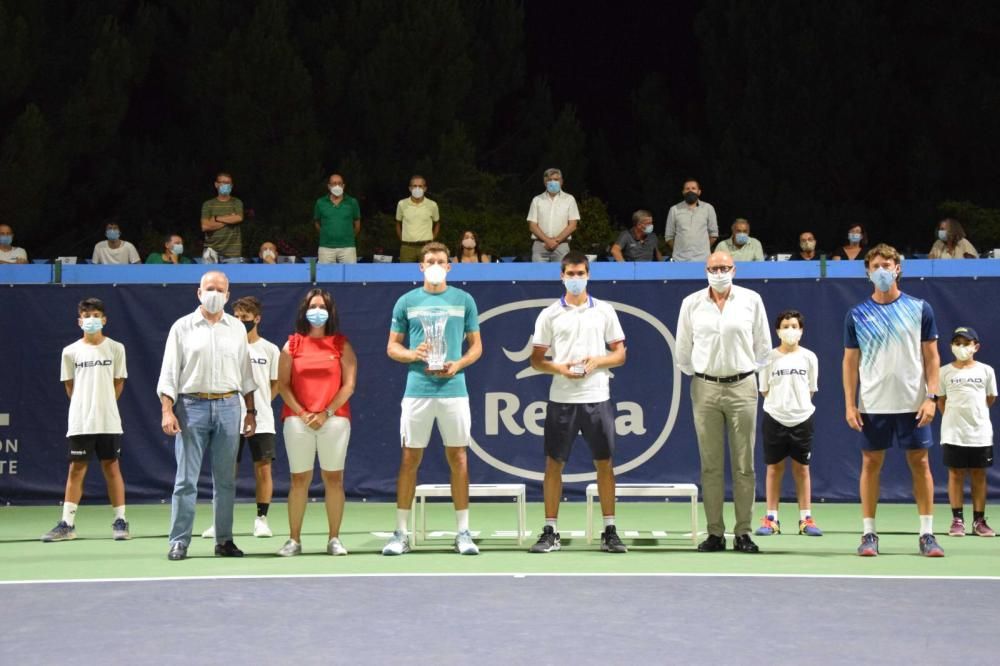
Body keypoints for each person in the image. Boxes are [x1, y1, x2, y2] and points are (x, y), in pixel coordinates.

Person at [843, 243, 944, 557]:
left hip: (913, 404)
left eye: (888, 264)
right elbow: (849, 362)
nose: (883, 270)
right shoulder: (857, 314)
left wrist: (931, 397)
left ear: (898, 268)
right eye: (876, 266)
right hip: (873, 404)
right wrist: (849, 403)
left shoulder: (920, 308)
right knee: (871, 464)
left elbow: (932, 358)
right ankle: (869, 534)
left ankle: (927, 534)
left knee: (921, 463)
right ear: (868, 272)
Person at [382, 242, 483, 556]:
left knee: (460, 459)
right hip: (417, 390)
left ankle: (463, 533)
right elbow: (392, 347)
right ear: (421, 266)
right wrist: (413, 354)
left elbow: (476, 347)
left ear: (449, 266)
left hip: (454, 390)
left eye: (441, 260)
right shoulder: (406, 301)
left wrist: (458, 364)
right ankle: (401, 534)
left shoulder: (464, 299)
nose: (436, 264)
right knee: (410, 460)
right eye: (430, 260)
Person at [528, 252, 628, 554]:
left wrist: (596, 361)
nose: (575, 278)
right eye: (570, 274)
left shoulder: (605, 311)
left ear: (588, 274)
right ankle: (550, 531)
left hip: (597, 397)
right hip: (562, 398)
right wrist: (560, 367)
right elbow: (535, 361)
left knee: (605, 465)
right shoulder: (549, 314)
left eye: (580, 273)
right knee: (553, 465)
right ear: (562, 276)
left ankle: (609, 530)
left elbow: (620, 355)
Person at [157, 270, 257, 561]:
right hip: (191, 407)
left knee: (225, 480)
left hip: (229, 406)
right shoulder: (182, 327)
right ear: (199, 293)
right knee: (185, 480)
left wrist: (250, 412)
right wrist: (167, 410)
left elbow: (245, 373)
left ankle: (224, 540)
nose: (214, 293)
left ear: (228, 295)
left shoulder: (237, 328)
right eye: (209, 288)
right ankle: (179, 541)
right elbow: (169, 373)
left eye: (220, 289)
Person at [676, 251, 770, 553]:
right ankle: (715, 533)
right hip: (704, 387)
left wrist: (744, 370)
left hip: (743, 386)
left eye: (725, 268)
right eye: (714, 268)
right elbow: (682, 349)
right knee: (711, 465)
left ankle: (743, 532)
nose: (719, 272)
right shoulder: (691, 303)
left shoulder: (751, 300)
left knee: (744, 464)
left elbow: (763, 345)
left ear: (734, 269)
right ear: (705, 270)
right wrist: (701, 374)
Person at [276, 289, 357, 556]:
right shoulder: (292, 345)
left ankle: (334, 538)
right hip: (298, 421)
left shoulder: (341, 345)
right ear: (304, 310)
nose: (318, 310)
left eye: (323, 306)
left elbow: (348, 386)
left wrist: (326, 412)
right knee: (299, 479)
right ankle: (294, 540)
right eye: (313, 305)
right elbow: (284, 385)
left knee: (333, 479)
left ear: (330, 311)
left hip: (334, 421)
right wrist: (302, 413)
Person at [41, 298, 130, 542]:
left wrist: (104, 405)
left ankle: (120, 521)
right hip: (80, 421)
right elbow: (70, 386)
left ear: (104, 320)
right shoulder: (69, 352)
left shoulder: (116, 348)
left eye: (96, 315)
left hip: (109, 421)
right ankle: (67, 524)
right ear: (80, 320)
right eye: (86, 315)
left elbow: (118, 382)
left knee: (112, 467)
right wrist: (84, 406)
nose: (91, 319)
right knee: (76, 469)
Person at [200, 296, 281, 540]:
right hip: (229, 417)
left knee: (263, 469)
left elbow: (275, 383)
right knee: (226, 471)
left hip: (262, 420)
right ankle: (220, 521)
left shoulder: (270, 349)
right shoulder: (225, 347)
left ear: (256, 319)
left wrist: (260, 404)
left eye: (245, 318)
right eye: (236, 317)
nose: (240, 321)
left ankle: (261, 520)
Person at [754, 310, 822, 537]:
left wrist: (796, 407)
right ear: (777, 331)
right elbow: (764, 389)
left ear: (801, 331)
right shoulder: (768, 358)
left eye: (794, 326)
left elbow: (811, 389)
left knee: (802, 468)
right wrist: (781, 406)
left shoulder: (810, 357)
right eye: (785, 326)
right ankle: (771, 518)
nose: (790, 330)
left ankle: (806, 519)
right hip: (774, 417)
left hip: (803, 418)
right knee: (774, 468)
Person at [938, 326, 996, 537]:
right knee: (955, 474)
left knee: (979, 474)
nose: (961, 347)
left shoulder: (986, 370)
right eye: (957, 343)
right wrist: (954, 419)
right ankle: (957, 520)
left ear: (976, 346)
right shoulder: (943, 372)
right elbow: (941, 402)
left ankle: (979, 521)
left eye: (966, 343)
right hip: (953, 432)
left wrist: (975, 415)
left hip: (980, 432)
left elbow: (990, 398)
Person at [527, 168, 580, 263]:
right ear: (545, 182)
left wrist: (556, 241)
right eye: (549, 180)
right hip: (540, 245)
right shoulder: (537, 200)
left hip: (562, 245)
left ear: (561, 181)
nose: (553, 182)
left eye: (556, 180)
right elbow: (532, 226)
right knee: (539, 275)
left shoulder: (569, 199)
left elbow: (573, 225)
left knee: (562, 275)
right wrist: (547, 240)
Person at [664, 179, 718, 262]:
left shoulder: (708, 208)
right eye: (687, 189)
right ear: (683, 192)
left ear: (699, 192)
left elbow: (714, 235)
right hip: (680, 260)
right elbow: (669, 237)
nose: (690, 191)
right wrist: (680, 250)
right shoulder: (674, 210)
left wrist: (702, 249)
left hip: (703, 259)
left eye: (693, 188)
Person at [314, 173, 361, 264]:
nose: (337, 186)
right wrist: (325, 234)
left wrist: (349, 237)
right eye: (334, 183)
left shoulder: (352, 202)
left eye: (339, 183)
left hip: (348, 248)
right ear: (329, 186)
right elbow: (317, 222)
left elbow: (357, 224)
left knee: (350, 276)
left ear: (343, 186)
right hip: (326, 247)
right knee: (325, 276)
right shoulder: (320, 202)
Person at [395, 175, 440, 263]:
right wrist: (402, 239)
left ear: (425, 188)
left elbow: (437, 223)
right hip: (407, 248)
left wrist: (432, 239)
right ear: (410, 188)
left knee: (428, 273)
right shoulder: (402, 204)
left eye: (420, 186)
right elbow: (398, 223)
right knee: (406, 274)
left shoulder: (432, 205)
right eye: (414, 186)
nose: (417, 188)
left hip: (426, 247)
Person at [201, 171, 244, 259]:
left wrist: (216, 218)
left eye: (228, 183)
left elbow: (238, 218)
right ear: (216, 185)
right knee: (211, 273)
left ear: (231, 185)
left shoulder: (237, 202)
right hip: (211, 250)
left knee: (233, 273)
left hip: (233, 252)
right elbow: (205, 226)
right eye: (223, 182)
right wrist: (229, 219)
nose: (225, 185)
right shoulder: (208, 204)